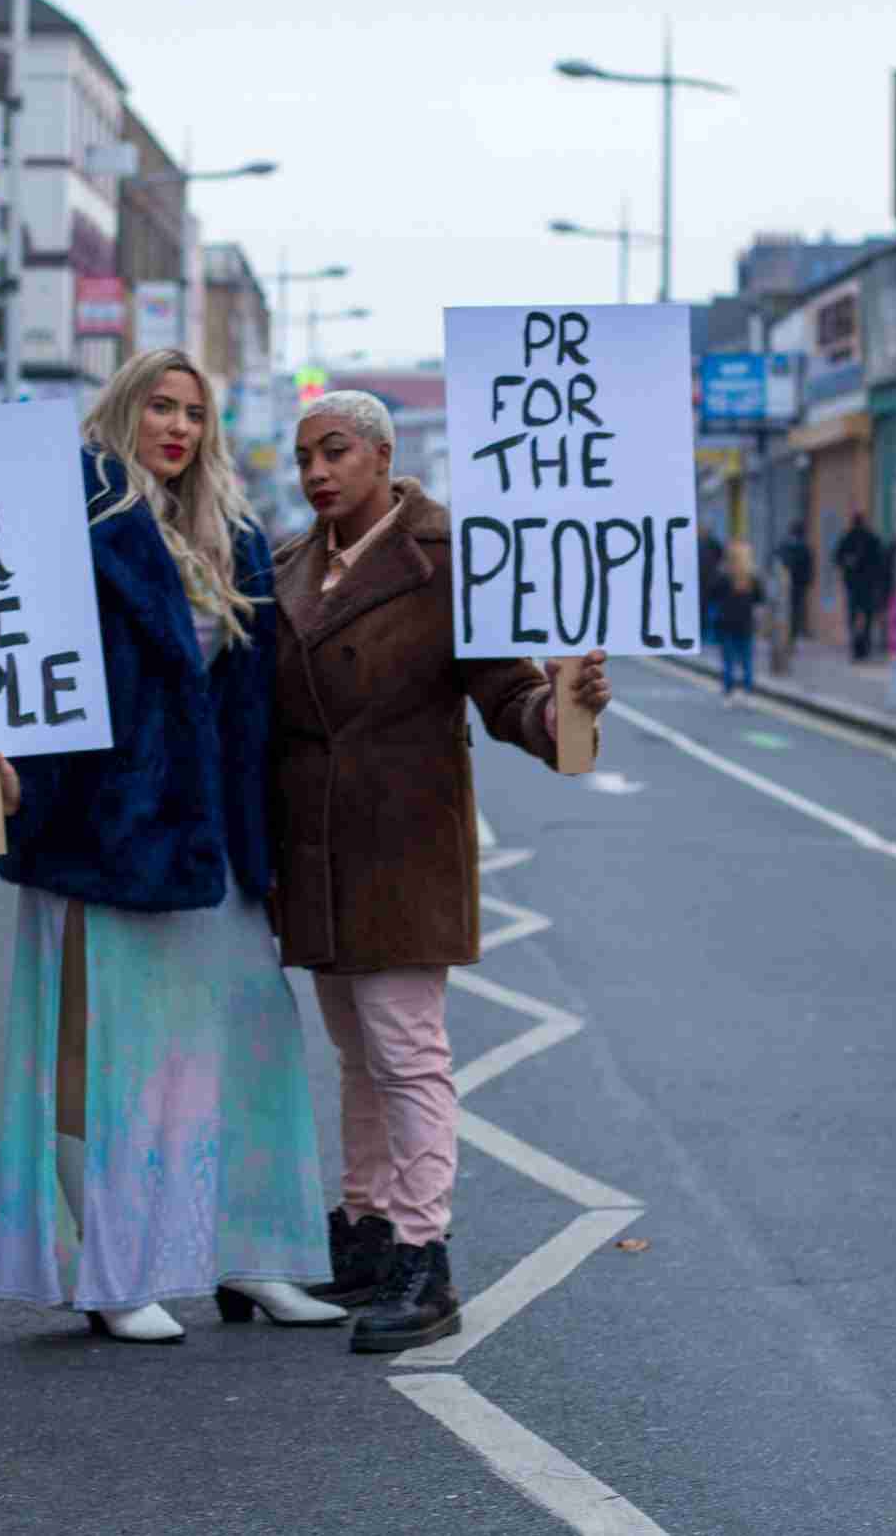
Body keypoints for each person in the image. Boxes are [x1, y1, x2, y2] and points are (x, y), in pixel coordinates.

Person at [0, 348, 342, 1345]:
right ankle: (113, 1274)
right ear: (124, 409)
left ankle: (257, 1259)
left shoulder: (235, 534)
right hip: (98, 827)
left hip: (214, 839)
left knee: (251, 1043)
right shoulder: (66, 520)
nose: (177, 426)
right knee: (101, 1059)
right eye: (160, 406)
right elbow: (2, 666)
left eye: (194, 413)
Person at [273, 390, 611, 1356]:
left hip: (404, 844)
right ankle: (368, 1229)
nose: (316, 472)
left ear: (382, 455)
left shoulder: (451, 561)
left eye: (334, 451)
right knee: (355, 1053)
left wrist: (566, 707)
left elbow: (509, 696)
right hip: (315, 850)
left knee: (407, 1051)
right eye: (305, 457)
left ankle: (427, 1254)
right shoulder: (293, 563)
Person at [709, 539, 765, 702]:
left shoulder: (724, 577)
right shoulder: (752, 578)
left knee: (728, 661)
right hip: (746, 624)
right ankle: (748, 692)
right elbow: (760, 601)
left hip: (727, 624)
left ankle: (728, 693)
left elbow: (713, 595)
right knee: (747, 661)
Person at [833, 512, 883, 661]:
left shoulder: (848, 537)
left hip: (854, 583)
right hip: (868, 584)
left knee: (854, 615)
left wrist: (847, 564)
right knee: (867, 615)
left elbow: (837, 557)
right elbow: (880, 562)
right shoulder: (871, 538)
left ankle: (856, 646)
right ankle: (864, 646)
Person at [775, 521, 814, 643]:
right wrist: (809, 580)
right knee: (796, 609)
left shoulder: (784, 545)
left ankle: (786, 634)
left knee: (786, 609)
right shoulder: (805, 547)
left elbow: (777, 561)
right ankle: (792, 635)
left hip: (786, 582)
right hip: (799, 583)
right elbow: (809, 566)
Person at [698, 524, 725, 644]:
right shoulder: (701, 544)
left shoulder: (712, 544)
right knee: (704, 612)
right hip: (702, 583)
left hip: (710, 583)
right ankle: (706, 636)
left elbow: (721, 556)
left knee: (711, 612)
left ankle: (710, 636)